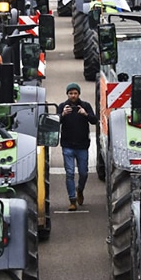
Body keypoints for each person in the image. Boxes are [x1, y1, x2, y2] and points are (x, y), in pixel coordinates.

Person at [57, 82, 96, 211]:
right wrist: (62, 115)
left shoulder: (85, 105)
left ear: (79, 94)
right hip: (67, 145)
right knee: (69, 173)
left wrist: (86, 114)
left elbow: (94, 120)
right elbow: (55, 122)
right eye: (70, 93)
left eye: (75, 93)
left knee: (84, 173)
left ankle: (80, 190)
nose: (73, 95)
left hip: (82, 145)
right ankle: (72, 200)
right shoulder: (62, 106)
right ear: (67, 94)